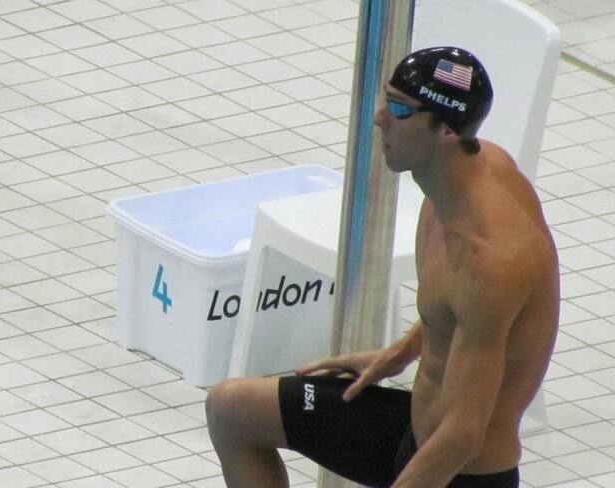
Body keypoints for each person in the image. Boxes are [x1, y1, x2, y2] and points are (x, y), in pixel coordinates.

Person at [205, 46, 560, 488]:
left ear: (446, 129)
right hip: (415, 429)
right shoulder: (451, 185)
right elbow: (460, 308)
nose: (379, 118)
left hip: (460, 471)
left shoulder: (493, 258)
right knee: (232, 409)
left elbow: (465, 436)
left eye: (399, 109)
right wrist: (401, 351)